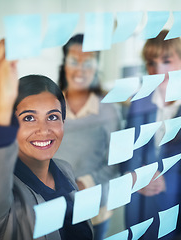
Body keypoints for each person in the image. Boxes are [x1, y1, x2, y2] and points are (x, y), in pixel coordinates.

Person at [0, 39, 93, 240]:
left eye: (52, 117)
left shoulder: (64, 169)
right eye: (29, 118)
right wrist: (2, 103)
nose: (44, 130)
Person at [120, 30, 181, 239]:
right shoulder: (139, 102)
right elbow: (125, 150)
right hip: (138, 209)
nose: (158, 70)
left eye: (166, 61)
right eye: (151, 63)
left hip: (177, 212)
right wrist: (133, 174)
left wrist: (167, 180)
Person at [54, 34, 122, 240]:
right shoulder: (50, 106)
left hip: (93, 212)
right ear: (64, 64)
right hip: (55, 208)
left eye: (88, 62)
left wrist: (83, 183)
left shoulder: (108, 110)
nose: (80, 69)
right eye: (74, 61)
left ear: (96, 66)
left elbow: (117, 163)